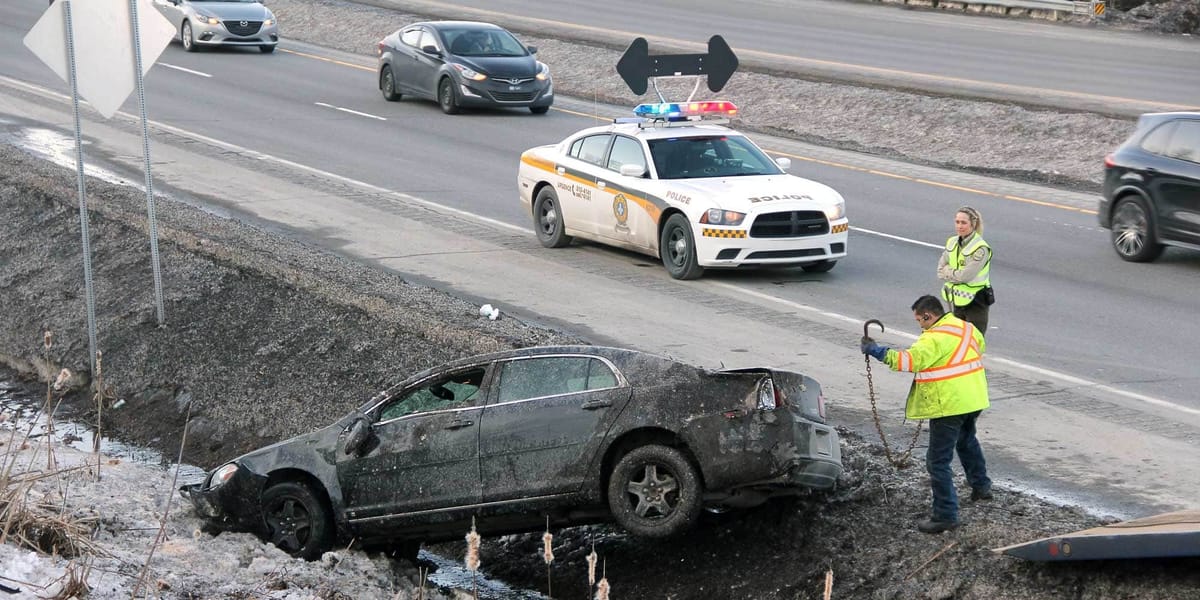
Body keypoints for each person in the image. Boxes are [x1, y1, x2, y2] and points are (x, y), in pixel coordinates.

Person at [862, 295, 993, 533]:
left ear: (928, 315)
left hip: (949, 404)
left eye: (919, 320)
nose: (920, 325)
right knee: (966, 441)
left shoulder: (933, 337)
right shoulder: (966, 328)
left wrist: (877, 351)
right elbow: (978, 349)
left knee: (937, 461)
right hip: (974, 398)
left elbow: (909, 361)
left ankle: (946, 515)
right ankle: (981, 487)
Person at [937, 206, 992, 336]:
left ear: (973, 224)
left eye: (963, 223)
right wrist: (956, 274)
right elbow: (939, 270)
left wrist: (949, 271)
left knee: (974, 340)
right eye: (957, 222)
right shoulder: (952, 242)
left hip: (977, 300)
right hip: (957, 298)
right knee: (957, 338)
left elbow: (966, 276)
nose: (959, 226)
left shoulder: (980, 248)